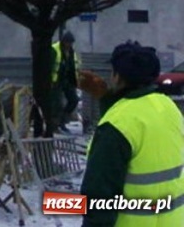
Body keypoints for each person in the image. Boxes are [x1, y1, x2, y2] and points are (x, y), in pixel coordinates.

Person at [80, 41, 184, 226]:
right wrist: (107, 98)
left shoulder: (115, 126)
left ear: (118, 77)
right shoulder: (168, 108)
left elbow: (99, 198)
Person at [51, 30, 80, 133]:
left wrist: (76, 80)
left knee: (74, 100)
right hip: (55, 81)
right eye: (68, 42)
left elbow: (74, 67)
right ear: (63, 41)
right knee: (57, 104)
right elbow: (48, 66)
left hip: (67, 80)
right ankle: (55, 125)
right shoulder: (55, 49)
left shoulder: (72, 52)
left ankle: (62, 121)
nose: (69, 45)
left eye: (71, 43)